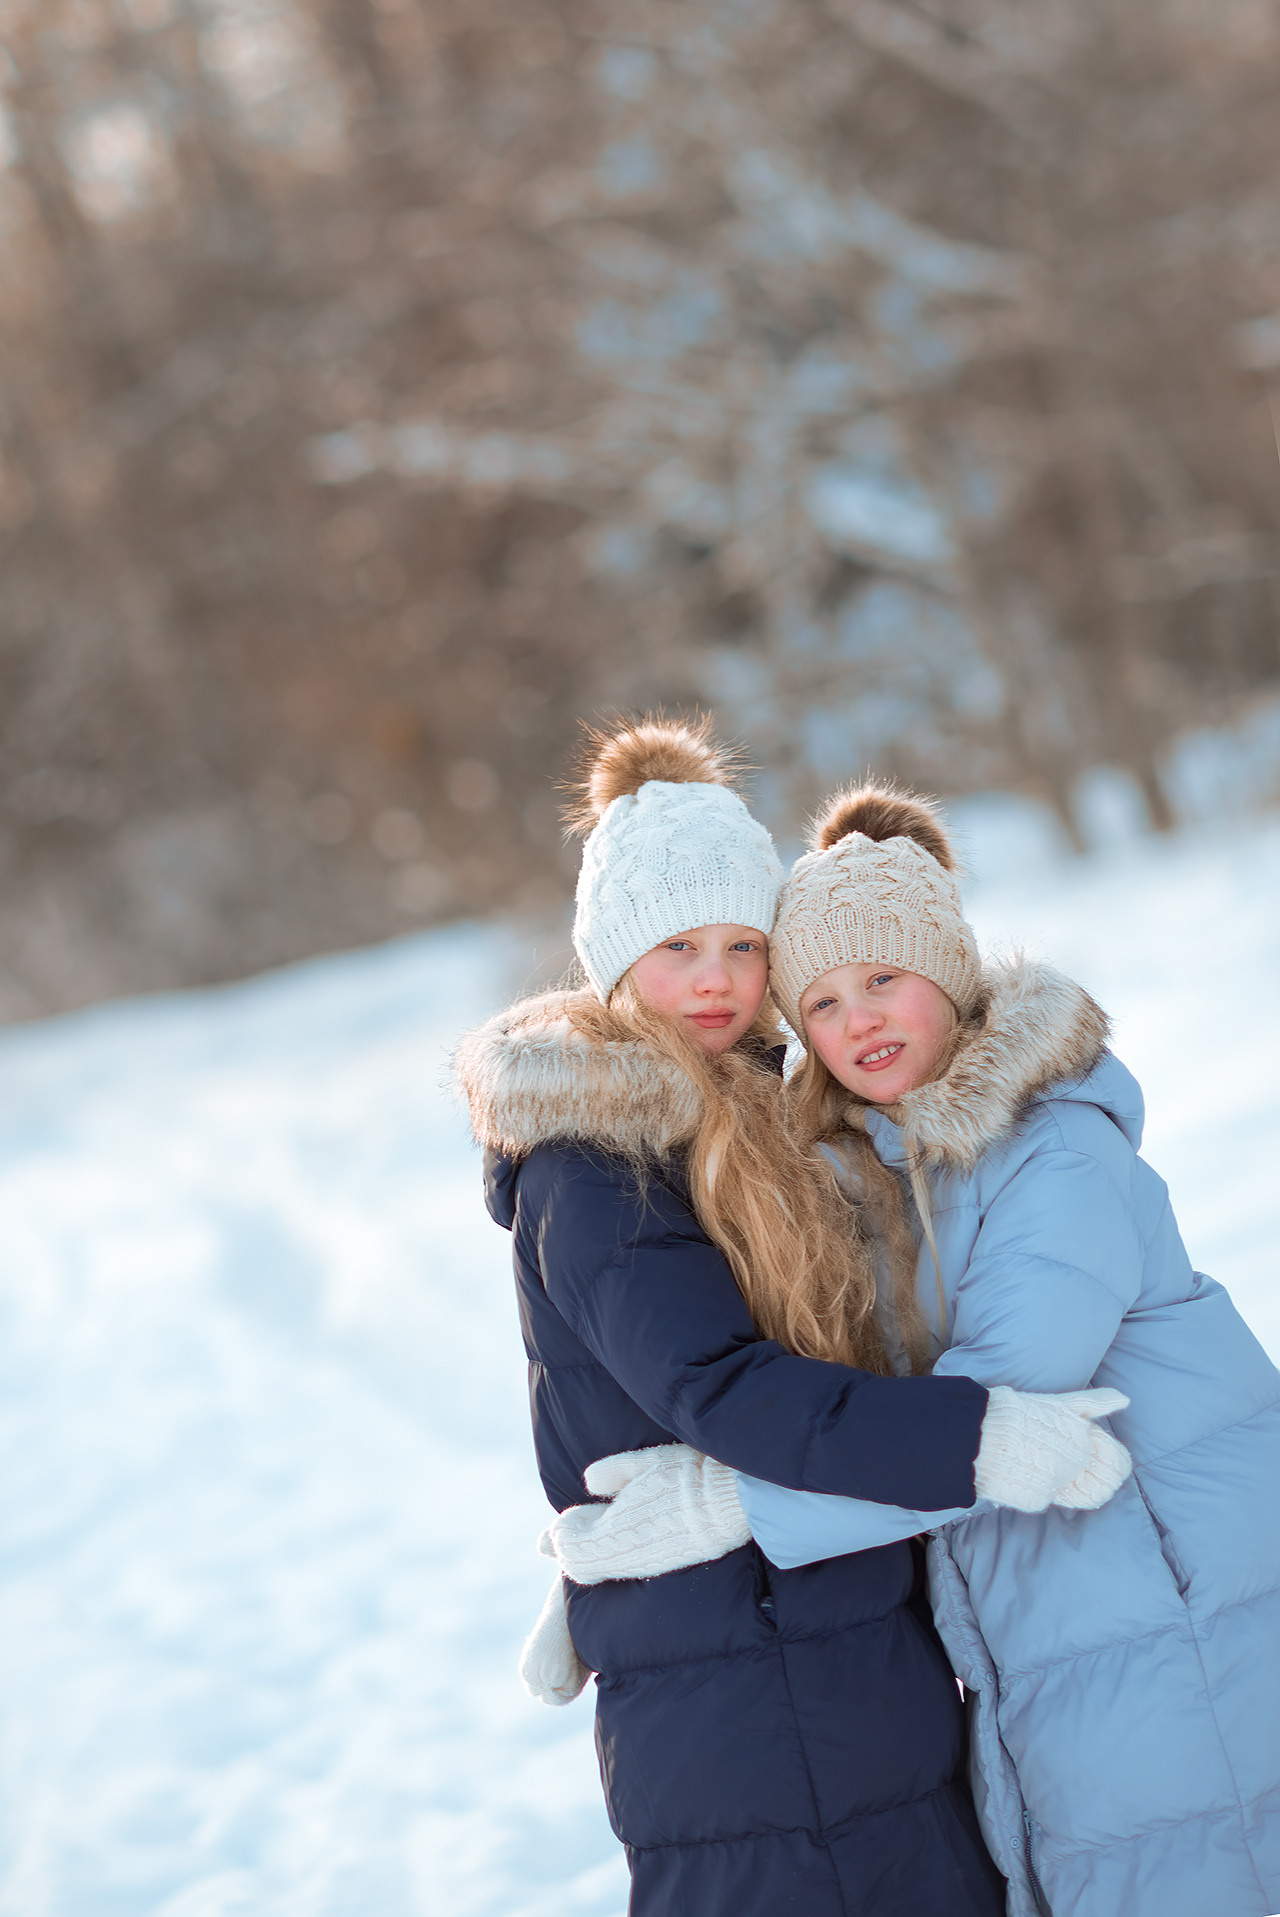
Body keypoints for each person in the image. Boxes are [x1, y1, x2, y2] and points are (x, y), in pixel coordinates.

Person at [549, 782, 1280, 1917]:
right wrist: (617, 1582)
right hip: (1047, 1615)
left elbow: (992, 1414)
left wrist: (730, 1511)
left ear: (947, 974)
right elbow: (863, 1408)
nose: (860, 1021)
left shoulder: (1053, 1151)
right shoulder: (868, 1180)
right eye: (823, 1001)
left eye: (883, 978)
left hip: (1172, 1594)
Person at [454, 720, 1129, 1917]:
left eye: (739, 944)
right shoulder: (592, 1161)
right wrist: (973, 1441)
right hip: (745, 1684)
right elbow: (716, 1389)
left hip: (845, 1638)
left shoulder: (760, 1118)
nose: (712, 979)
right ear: (611, 964)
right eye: (674, 948)